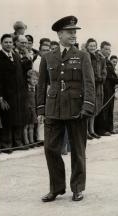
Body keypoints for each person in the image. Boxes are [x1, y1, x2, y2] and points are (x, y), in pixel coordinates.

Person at [37, 15, 95, 202]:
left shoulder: (82, 56)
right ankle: (56, 188)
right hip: (53, 109)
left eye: (75, 32)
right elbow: (41, 85)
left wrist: (87, 106)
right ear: (59, 34)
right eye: (70, 32)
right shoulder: (47, 58)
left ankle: (77, 188)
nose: (74, 35)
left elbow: (89, 83)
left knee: (78, 150)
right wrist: (40, 110)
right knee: (50, 149)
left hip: (77, 109)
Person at [0, 34, 28, 150]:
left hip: (18, 94)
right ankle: (6, 144)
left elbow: (22, 74)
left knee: (18, 117)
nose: (8, 44)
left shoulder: (16, 56)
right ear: (1, 44)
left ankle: (17, 142)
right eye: (6, 42)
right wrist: (0, 97)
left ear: (13, 44)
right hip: (6, 95)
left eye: (10, 42)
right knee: (7, 118)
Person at [94, 41, 118, 136]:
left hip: (110, 87)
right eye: (106, 49)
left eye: (109, 49)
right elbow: (108, 74)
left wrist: (116, 80)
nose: (109, 51)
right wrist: (116, 80)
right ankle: (101, 129)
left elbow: (112, 73)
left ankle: (109, 127)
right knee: (103, 108)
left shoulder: (107, 60)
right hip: (103, 87)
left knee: (109, 108)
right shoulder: (99, 59)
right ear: (101, 49)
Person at [85, 38, 106, 139]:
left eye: (94, 46)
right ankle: (86, 132)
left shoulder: (100, 57)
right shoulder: (86, 56)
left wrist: (102, 77)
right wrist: (93, 79)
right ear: (87, 47)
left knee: (96, 107)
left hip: (99, 86)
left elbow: (104, 69)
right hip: (89, 86)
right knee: (89, 108)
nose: (92, 47)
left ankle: (92, 130)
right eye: (90, 46)